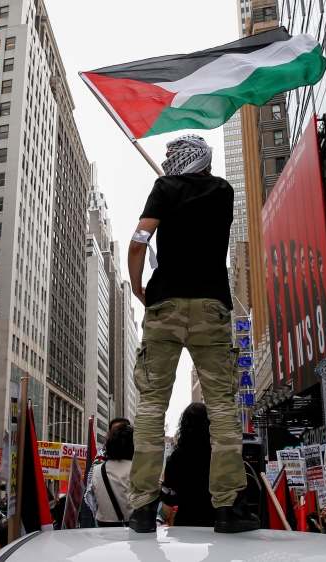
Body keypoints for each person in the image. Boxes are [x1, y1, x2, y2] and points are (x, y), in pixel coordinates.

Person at [125, 134, 257, 535]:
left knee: (151, 407)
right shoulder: (223, 190)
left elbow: (138, 240)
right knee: (221, 410)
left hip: (164, 304)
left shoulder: (164, 188)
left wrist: (136, 285)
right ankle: (228, 508)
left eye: (171, 155)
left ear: (182, 157)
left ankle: (143, 508)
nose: (166, 161)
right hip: (212, 307)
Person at [162, 404, 217, 527]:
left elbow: (170, 497)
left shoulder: (178, 455)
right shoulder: (219, 453)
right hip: (216, 520)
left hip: (187, 519)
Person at [82, 417, 132, 528]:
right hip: (131, 530)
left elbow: (91, 500)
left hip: (104, 530)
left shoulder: (96, 470)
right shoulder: (137, 470)